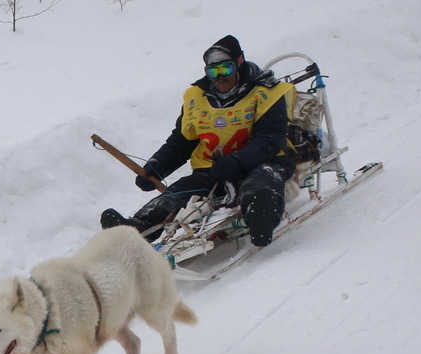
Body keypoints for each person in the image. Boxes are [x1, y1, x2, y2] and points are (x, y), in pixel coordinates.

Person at [101, 35, 296, 247]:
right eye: (214, 71)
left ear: (239, 65)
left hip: (263, 162)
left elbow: (270, 139)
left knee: (259, 185)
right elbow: (182, 141)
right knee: (178, 193)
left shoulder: (267, 92)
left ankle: (261, 218)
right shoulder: (197, 97)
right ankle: (135, 230)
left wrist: (238, 161)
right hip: (212, 169)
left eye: (226, 69)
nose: (220, 77)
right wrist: (156, 168)